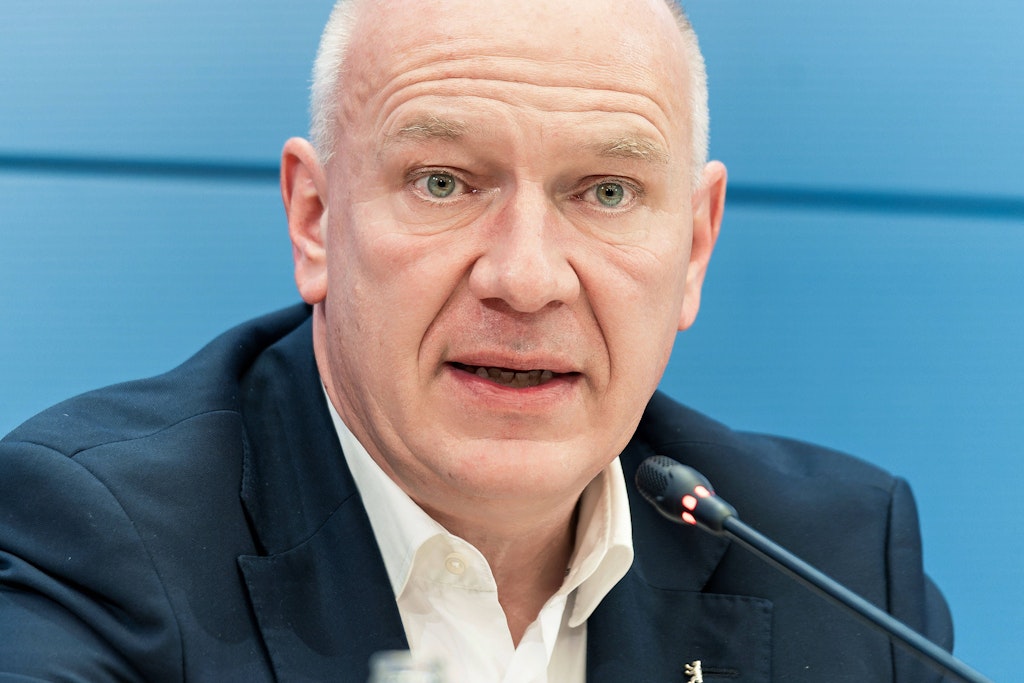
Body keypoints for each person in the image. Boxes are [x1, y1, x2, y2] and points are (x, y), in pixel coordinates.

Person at [0, 0, 952, 681]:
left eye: (607, 192)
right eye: (443, 182)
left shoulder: (839, 569)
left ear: (695, 246)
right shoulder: (93, 543)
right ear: (315, 220)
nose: (526, 279)